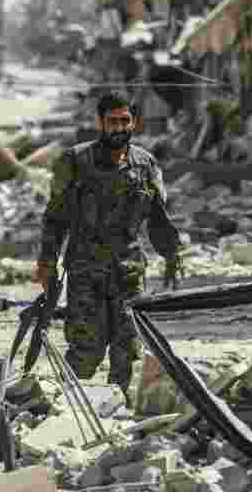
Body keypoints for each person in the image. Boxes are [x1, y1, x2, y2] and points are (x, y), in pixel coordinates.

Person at [32, 91, 183, 405]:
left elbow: (158, 216)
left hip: (129, 271)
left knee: (127, 348)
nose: (119, 128)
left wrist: (171, 254)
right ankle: (68, 408)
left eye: (125, 121)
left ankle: (120, 410)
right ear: (99, 123)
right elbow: (55, 216)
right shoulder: (74, 162)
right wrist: (47, 262)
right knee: (86, 349)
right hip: (85, 269)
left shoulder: (145, 164)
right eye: (112, 121)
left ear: (134, 123)